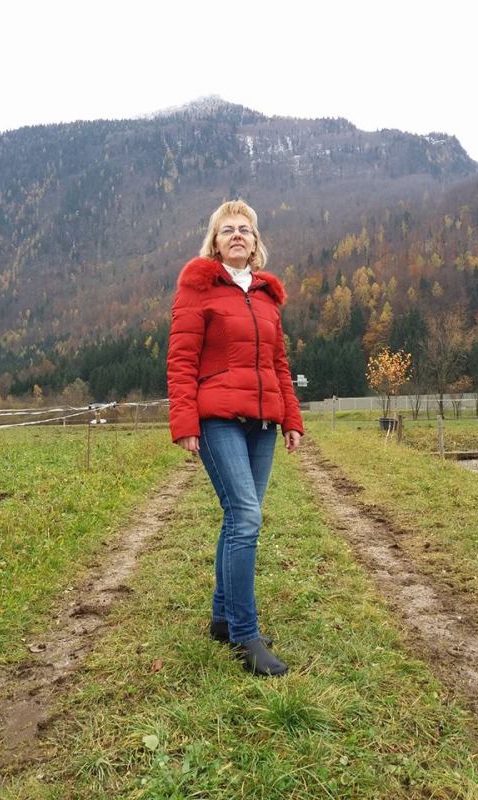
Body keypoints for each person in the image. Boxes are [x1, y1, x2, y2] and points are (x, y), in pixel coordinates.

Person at [166, 200, 303, 677]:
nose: (238, 235)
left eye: (245, 228)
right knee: (247, 517)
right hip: (218, 418)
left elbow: (279, 364)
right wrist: (185, 423)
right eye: (228, 230)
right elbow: (181, 359)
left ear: (256, 240)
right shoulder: (198, 289)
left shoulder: (266, 296)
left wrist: (291, 418)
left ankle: (223, 620)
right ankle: (246, 635)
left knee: (238, 518)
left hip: (262, 423)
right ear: (215, 242)